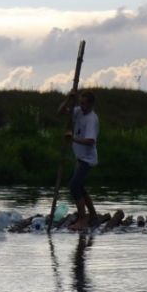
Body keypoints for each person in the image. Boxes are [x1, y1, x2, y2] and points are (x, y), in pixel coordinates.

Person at [58, 89, 99, 231]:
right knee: (80, 186)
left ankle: (83, 220)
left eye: (84, 103)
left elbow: (90, 141)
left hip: (88, 159)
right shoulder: (78, 112)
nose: (81, 106)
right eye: (80, 103)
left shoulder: (91, 119)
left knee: (74, 186)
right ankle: (93, 215)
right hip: (80, 158)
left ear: (91, 104)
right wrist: (69, 99)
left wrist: (72, 138)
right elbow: (61, 112)